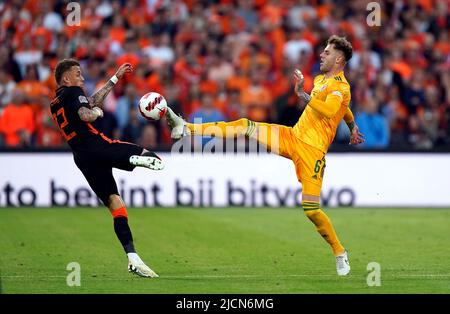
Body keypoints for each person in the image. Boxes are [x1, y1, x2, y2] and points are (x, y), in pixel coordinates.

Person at [165, 36, 365, 276]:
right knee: (245, 125)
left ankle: (339, 251)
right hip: (291, 136)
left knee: (311, 209)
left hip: (313, 151)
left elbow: (334, 108)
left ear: (339, 59)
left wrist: (304, 95)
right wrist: (352, 125)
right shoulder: (322, 80)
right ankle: (188, 127)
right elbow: (344, 109)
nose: (321, 55)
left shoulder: (341, 87)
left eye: (327, 52)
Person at [50, 59, 163, 278]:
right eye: (78, 73)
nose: (82, 77)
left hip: (82, 157)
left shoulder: (56, 101)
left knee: (116, 204)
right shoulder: (74, 91)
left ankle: (133, 258)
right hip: (97, 146)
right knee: (151, 157)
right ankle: (134, 161)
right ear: (66, 78)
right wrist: (98, 114)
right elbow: (87, 113)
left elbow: (90, 102)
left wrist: (115, 77)